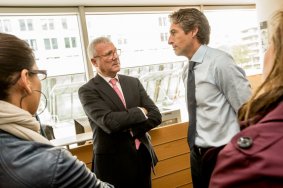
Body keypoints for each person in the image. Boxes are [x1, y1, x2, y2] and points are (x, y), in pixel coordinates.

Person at [0, 33, 113, 188]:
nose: (114, 57)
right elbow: (111, 122)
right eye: (39, 74)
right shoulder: (54, 164)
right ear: (25, 79)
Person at [168, 8, 252, 188]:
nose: (169, 40)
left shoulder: (220, 62)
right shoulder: (187, 71)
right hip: (197, 155)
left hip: (224, 154)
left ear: (193, 31)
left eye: (174, 33)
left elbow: (248, 110)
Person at [210, 10, 283, 188]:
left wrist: (248, 136)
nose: (170, 40)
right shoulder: (186, 71)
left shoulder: (249, 162)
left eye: (269, 45)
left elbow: (242, 105)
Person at [78, 37, 162, 188]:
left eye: (116, 52)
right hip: (113, 166)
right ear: (94, 62)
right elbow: (109, 122)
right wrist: (140, 111)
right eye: (109, 54)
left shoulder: (133, 82)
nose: (115, 57)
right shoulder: (88, 90)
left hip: (142, 157)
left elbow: (156, 115)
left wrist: (131, 128)